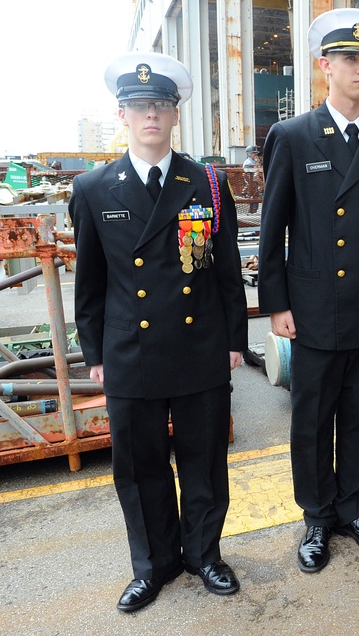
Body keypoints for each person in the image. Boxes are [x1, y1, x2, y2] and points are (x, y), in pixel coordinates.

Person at [69, 52, 248, 612]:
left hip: (199, 345)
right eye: (140, 106)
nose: (151, 115)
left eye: (161, 106)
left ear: (175, 115)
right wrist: (95, 351)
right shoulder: (95, 188)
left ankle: (204, 555)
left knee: (203, 460)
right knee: (141, 467)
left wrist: (235, 342)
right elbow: (90, 282)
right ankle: (153, 565)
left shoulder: (208, 184)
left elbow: (223, 273)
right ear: (122, 115)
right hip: (130, 350)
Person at [257, 8, 359, 574]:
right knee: (313, 418)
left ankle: (353, 510)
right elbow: (275, 226)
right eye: (349, 58)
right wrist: (276, 303)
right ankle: (316, 517)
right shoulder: (293, 136)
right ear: (325, 66)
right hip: (314, 305)